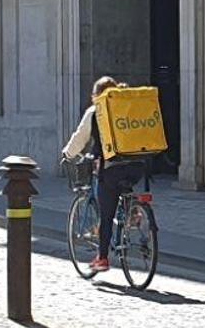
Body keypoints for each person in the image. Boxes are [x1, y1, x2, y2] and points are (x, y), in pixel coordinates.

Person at [62, 76, 146, 272]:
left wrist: (67, 153)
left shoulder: (94, 112)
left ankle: (102, 258)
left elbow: (80, 138)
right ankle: (133, 210)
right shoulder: (129, 106)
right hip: (138, 166)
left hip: (111, 169)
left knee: (106, 213)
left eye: (93, 94)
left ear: (97, 95)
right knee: (124, 183)